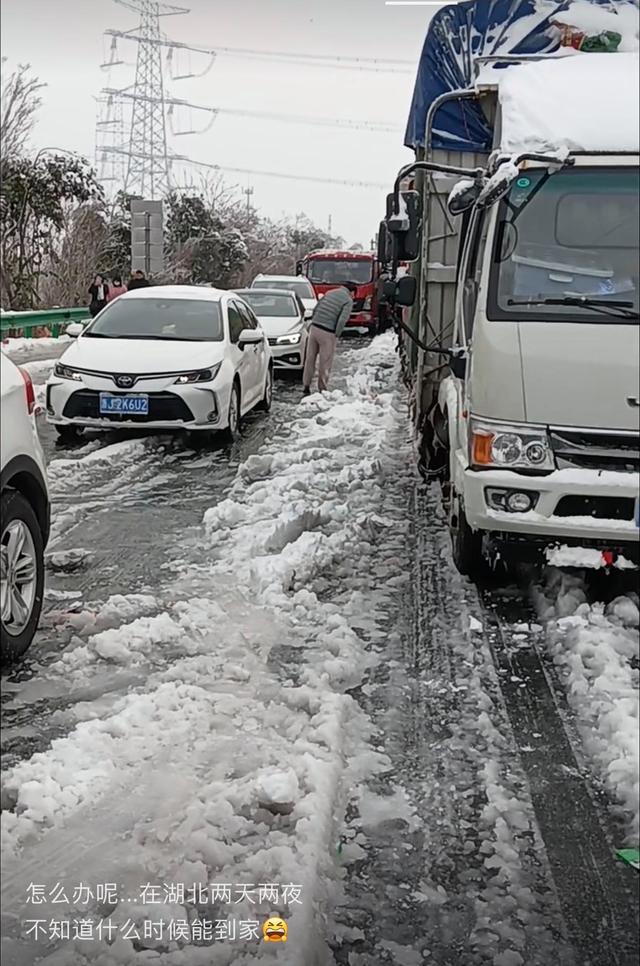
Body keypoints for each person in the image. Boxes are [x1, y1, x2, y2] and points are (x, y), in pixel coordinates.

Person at [302, 282, 355, 395]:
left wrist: (315, 321)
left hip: (315, 327)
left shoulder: (330, 293)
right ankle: (322, 388)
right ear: (352, 292)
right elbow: (342, 320)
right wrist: (337, 334)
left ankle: (306, 385)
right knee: (325, 361)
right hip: (327, 332)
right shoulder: (348, 300)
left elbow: (316, 309)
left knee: (310, 358)